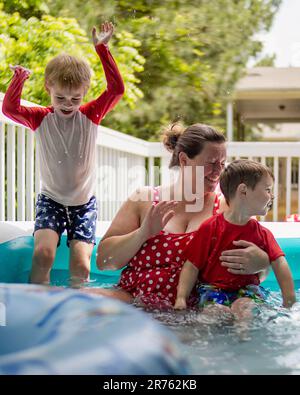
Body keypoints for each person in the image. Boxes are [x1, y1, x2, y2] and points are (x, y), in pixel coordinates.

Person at [92, 124, 271, 306]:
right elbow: (104, 261)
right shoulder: (144, 199)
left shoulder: (230, 207)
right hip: (135, 302)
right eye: (211, 163)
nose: (219, 172)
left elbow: (259, 274)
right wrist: (142, 233)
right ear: (184, 160)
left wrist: (263, 264)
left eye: (222, 164)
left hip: (199, 311)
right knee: (83, 298)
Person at [2, 22, 125, 285]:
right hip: (52, 201)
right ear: (48, 88)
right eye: (60, 98)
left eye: (75, 98)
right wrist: (19, 79)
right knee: (43, 254)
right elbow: (10, 110)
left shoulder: (91, 115)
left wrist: (102, 49)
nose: (67, 104)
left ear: (84, 94)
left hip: (84, 205)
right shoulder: (40, 118)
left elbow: (116, 90)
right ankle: (38, 301)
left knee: (81, 266)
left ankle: (75, 312)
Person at [174, 160, 296, 320]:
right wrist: (181, 298)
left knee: (245, 308)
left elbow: (279, 263)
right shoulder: (210, 228)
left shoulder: (262, 233)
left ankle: (243, 342)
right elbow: (191, 266)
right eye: (267, 189)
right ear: (243, 191)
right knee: (212, 312)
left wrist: (289, 298)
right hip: (212, 290)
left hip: (247, 291)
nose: (271, 196)